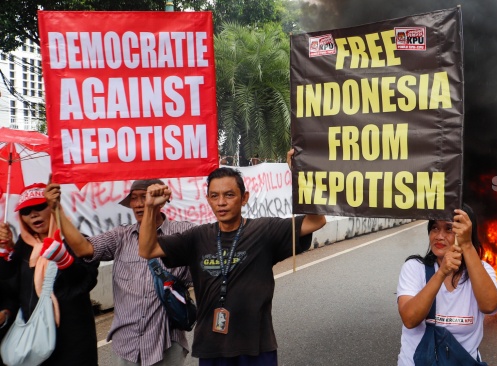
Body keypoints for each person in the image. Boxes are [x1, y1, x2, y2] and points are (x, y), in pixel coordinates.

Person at [138, 149, 327, 365]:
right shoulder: (197, 237)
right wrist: (150, 208)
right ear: (207, 199)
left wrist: (299, 175)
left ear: (244, 198)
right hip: (212, 348)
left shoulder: (264, 230)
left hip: (257, 348)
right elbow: (147, 250)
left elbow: (316, 221)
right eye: (214, 196)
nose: (221, 203)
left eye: (229, 195)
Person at [44, 179, 195, 366]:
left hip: (167, 342)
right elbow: (84, 248)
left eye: (145, 197)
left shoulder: (184, 233)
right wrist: (57, 209)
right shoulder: (120, 236)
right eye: (134, 198)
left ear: (162, 200)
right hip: (126, 346)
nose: (140, 204)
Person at [0, 183, 99, 365]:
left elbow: (86, 281)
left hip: (71, 343)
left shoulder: (75, 242)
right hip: (34, 343)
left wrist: (64, 260)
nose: (33, 214)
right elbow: (12, 290)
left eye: (40, 206)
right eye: (26, 211)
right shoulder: (23, 248)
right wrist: (5, 252)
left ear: (53, 207)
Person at [396, 204, 497, 365]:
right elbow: (410, 319)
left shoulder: (482, 270)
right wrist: (441, 273)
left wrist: (466, 245)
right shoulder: (414, 267)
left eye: (449, 229)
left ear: (465, 233)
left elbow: (490, 306)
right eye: (434, 228)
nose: (439, 236)